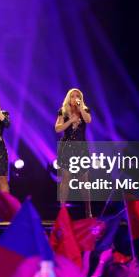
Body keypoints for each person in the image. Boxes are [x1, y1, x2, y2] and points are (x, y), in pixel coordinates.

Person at [55, 88, 93, 218]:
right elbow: (57, 128)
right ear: (68, 98)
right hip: (67, 148)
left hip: (81, 148)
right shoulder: (63, 111)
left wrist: (81, 108)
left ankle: (88, 211)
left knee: (84, 180)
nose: (75, 98)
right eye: (73, 96)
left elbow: (88, 120)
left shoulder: (85, 111)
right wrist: (70, 121)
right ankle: (62, 211)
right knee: (65, 179)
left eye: (78, 96)